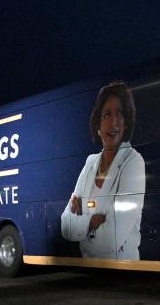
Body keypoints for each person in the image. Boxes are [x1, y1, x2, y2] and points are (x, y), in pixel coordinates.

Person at [60, 81, 145, 260]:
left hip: (123, 273)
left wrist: (81, 225)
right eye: (106, 115)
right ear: (98, 125)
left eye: (119, 114)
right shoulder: (90, 163)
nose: (113, 122)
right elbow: (65, 225)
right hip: (91, 273)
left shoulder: (133, 162)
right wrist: (92, 221)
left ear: (127, 122)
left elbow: (112, 239)